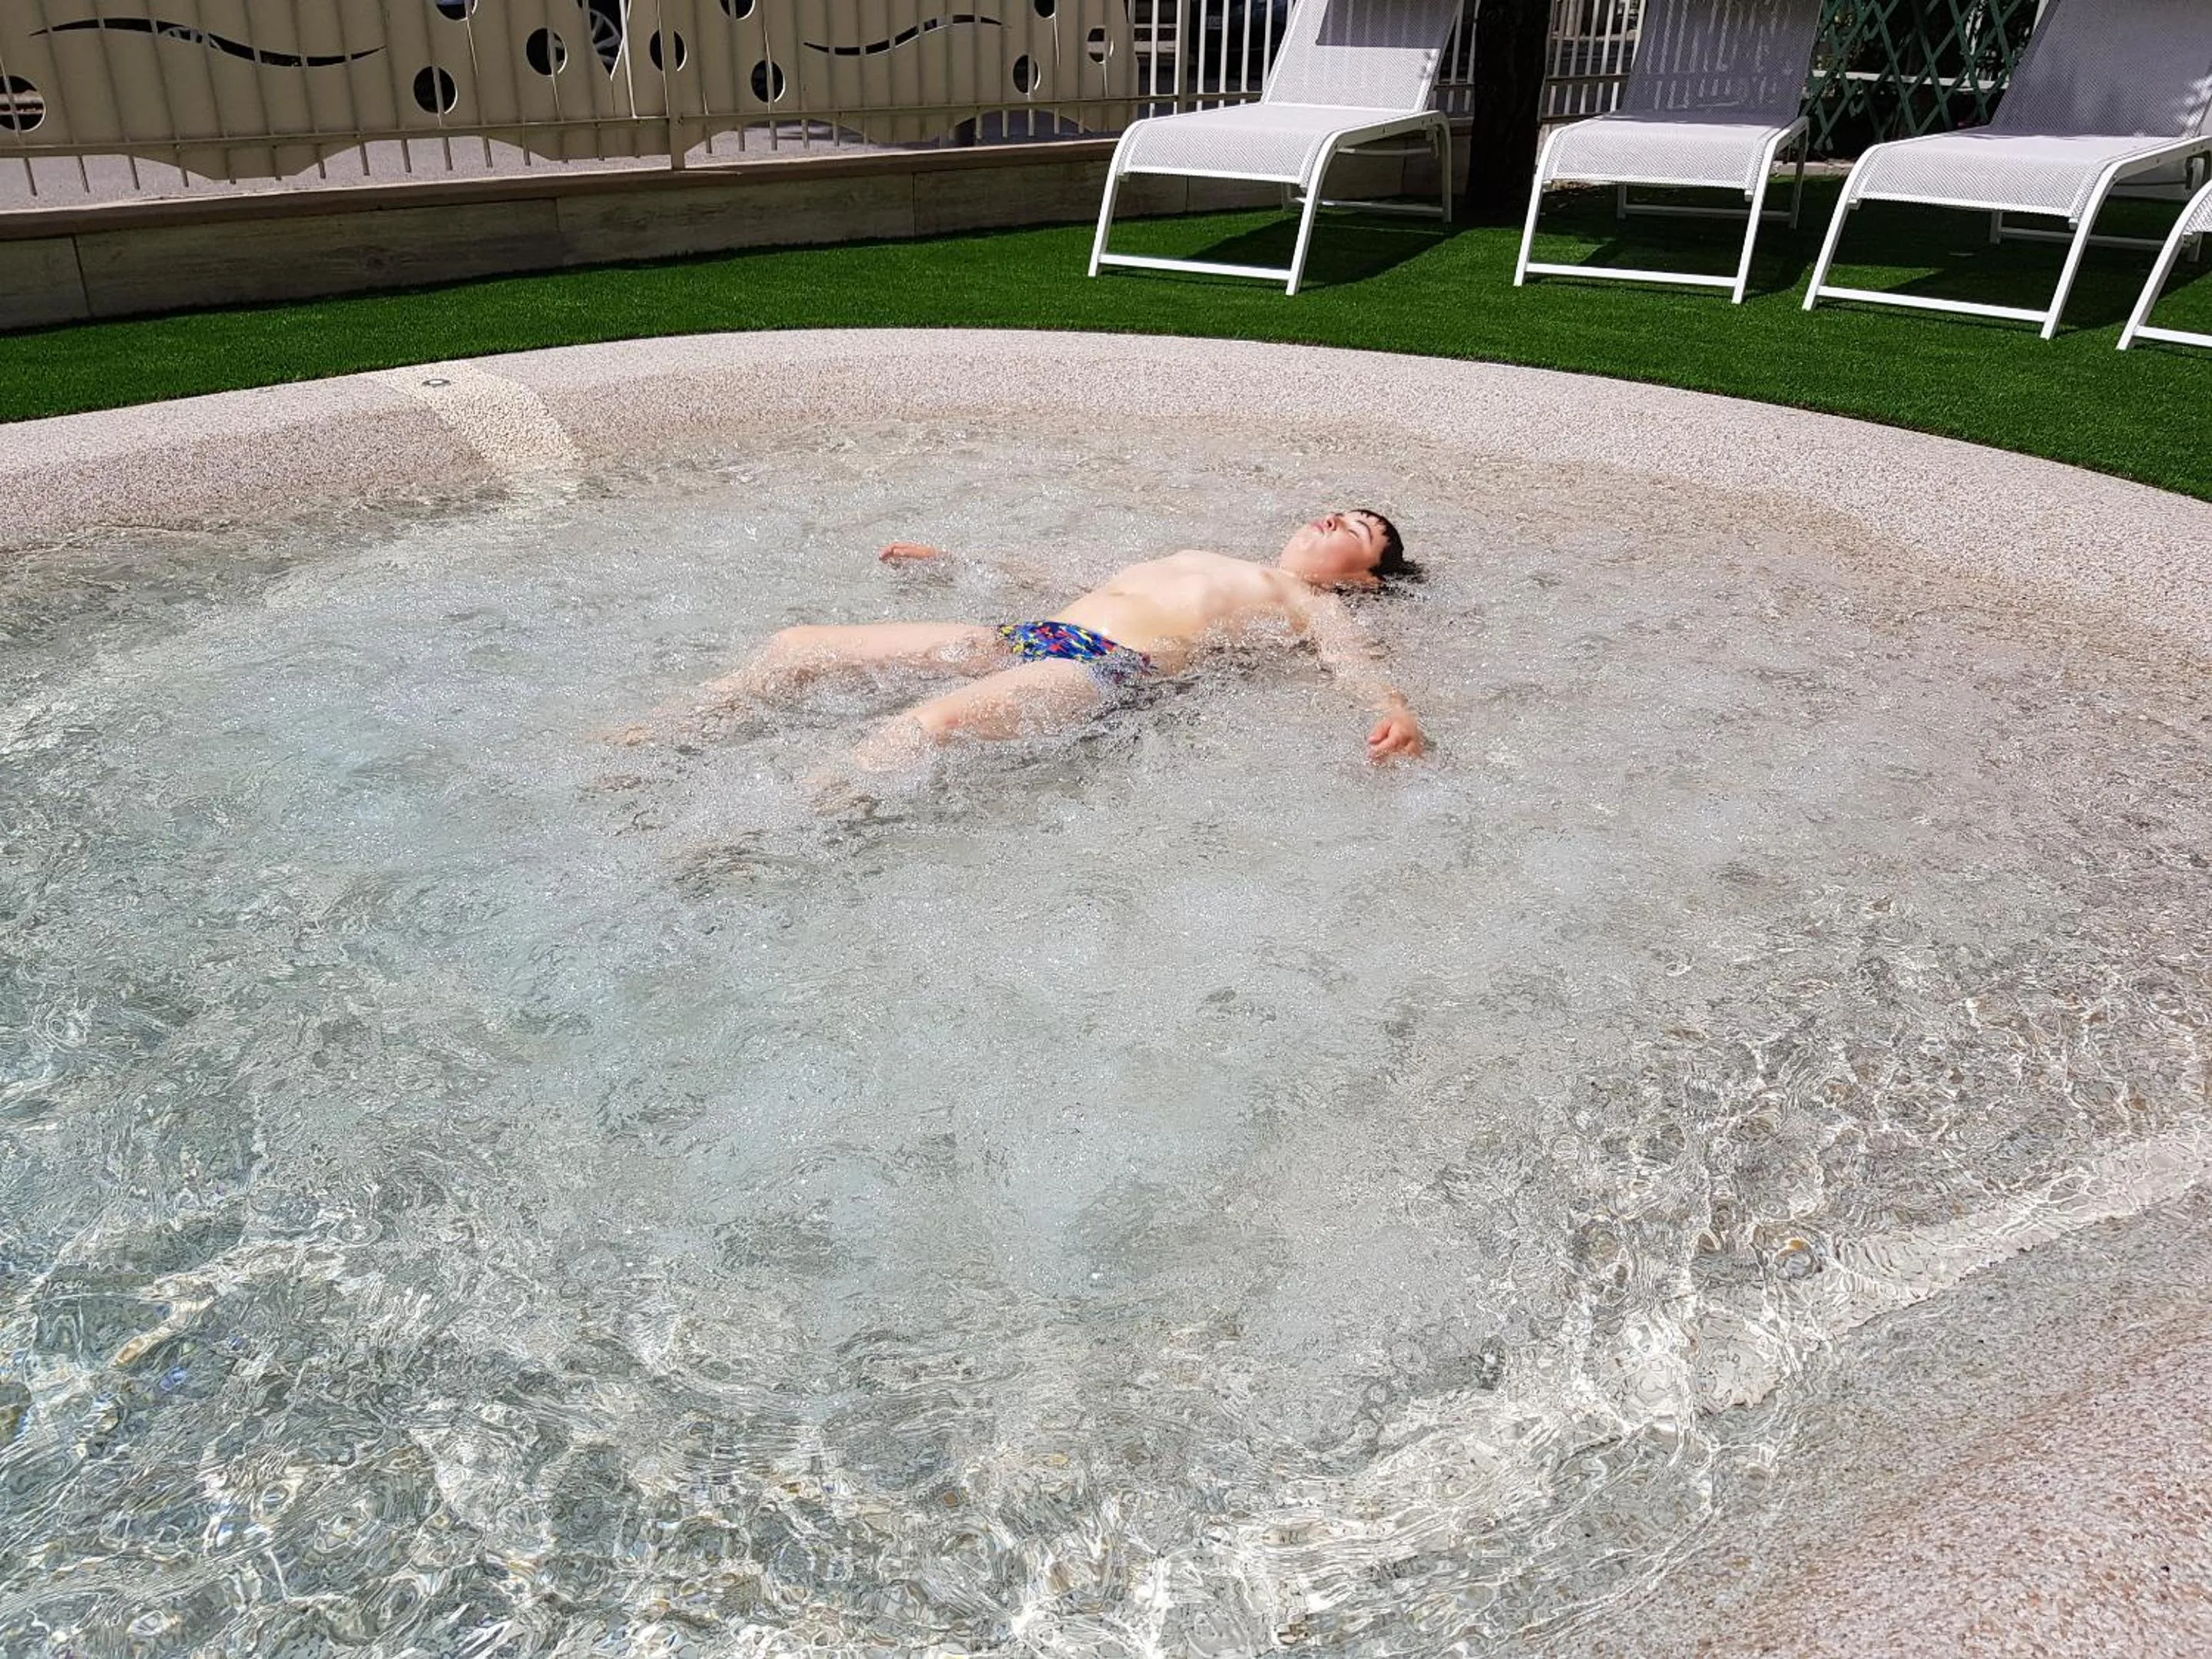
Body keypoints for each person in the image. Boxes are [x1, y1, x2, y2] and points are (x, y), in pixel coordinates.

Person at [615, 509, 1429, 773]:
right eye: (1339, 511)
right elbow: (1068, 573)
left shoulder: (1311, 604)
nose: (1337, 520)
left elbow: (1351, 664)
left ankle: (762, 830)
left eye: (1358, 530)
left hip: (1106, 666)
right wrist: (954, 559)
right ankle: (651, 736)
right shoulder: (1202, 549)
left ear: (1364, 580)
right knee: (799, 643)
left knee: (927, 726)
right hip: (1035, 634)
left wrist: (1395, 711)